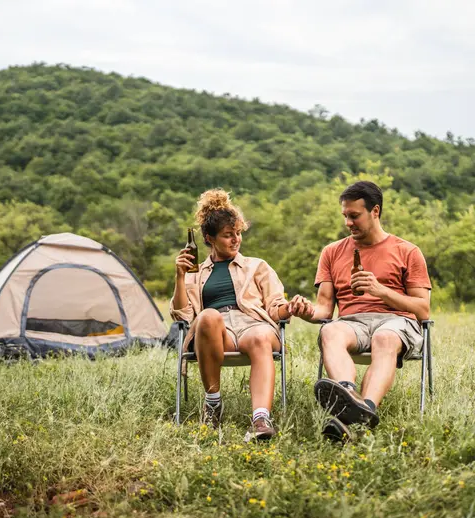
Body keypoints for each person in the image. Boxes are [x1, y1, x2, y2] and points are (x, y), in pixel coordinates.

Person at [289, 181, 431, 440]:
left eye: (354, 216)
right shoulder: (332, 252)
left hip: (397, 322)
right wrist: (305, 311)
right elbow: (323, 309)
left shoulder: (407, 251)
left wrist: (382, 291)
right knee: (330, 332)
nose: (348, 223)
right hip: (353, 322)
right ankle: (350, 396)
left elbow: (423, 309)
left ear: (375, 211)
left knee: (384, 337)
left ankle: (362, 408)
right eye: (345, 216)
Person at [170, 189, 310, 442]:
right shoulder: (194, 273)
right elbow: (182, 315)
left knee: (259, 335)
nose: (235, 240)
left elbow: (275, 306)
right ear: (209, 238)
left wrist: (288, 308)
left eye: (238, 233)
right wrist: (180, 277)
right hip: (215, 334)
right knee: (209, 316)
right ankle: (213, 403)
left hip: (253, 325)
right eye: (227, 235)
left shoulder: (258, 266)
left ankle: (260, 419)